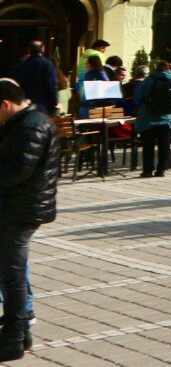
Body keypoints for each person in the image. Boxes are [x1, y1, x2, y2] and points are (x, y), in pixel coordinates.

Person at [0, 79, 54, 360]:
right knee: (12, 272)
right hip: (18, 206)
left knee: (13, 274)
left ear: (5, 104)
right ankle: (19, 333)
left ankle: (14, 337)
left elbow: (19, 170)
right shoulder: (22, 122)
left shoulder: (31, 124)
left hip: (23, 208)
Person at [133, 58, 171, 178]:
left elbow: (137, 98)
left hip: (148, 118)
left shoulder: (149, 80)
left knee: (148, 145)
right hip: (167, 118)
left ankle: (147, 170)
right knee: (164, 144)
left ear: (155, 69)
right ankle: (161, 170)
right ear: (169, 69)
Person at [1, 44, 58, 119]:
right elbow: (52, 87)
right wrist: (54, 104)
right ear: (43, 49)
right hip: (42, 107)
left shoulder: (20, 66)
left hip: (23, 106)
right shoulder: (48, 65)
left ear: (29, 50)